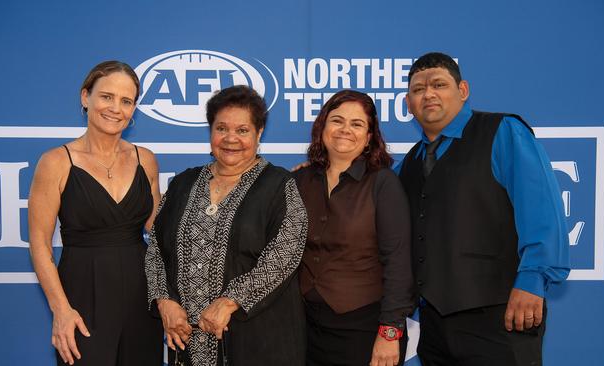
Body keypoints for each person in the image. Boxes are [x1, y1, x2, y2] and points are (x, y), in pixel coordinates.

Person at [398, 52, 571, 365]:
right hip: (435, 328)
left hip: (503, 315)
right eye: (418, 89)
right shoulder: (409, 162)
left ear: (462, 90)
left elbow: (541, 208)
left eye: (439, 84)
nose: (429, 94)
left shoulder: (503, 131)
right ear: (408, 103)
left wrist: (532, 279)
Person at [145, 85, 308, 366]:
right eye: (221, 128)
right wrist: (163, 301)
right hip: (187, 343)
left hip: (259, 340)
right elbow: (156, 248)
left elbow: (284, 256)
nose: (231, 138)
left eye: (242, 130)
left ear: (258, 134)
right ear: (211, 133)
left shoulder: (280, 185)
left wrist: (230, 301)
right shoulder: (183, 183)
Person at [28, 60, 163, 365]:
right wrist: (61, 310)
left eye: (126, 101)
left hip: (142, 296)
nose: (116, 108)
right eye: (107, 97)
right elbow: (39, 245)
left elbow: (160, 229)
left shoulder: (146, 160)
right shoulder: (56, 162)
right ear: (85, 97)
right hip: (82, 294)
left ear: (133, 110)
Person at [294, 90, 414, 366]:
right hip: (305, 328)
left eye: (357, 124)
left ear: (369, 137)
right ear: (322, 127)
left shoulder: (383, 184)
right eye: (337, 120)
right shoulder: (300, 180)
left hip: (365, 328)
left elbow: (398, 263)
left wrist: (390, 332)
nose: (345, 129)